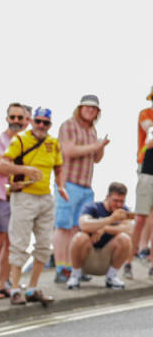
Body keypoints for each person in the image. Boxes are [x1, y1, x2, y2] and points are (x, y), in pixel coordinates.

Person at [0, 107, 68, 306]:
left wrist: (60, 185)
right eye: (38, 121)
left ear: (50, 125)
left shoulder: (53, 143)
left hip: (45, 197)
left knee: (44, 244)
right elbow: (2, 164)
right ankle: (15, 289)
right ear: (32, 122)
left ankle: (33, 288)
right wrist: (24, 169)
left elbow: (59, 167)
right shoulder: (19, 140)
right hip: (24, 196)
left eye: (45, 123)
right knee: (19, 243)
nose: (41, 126)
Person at [54, 95, 109, 283]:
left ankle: (74, 268)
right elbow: (68, 150)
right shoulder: (69, 125)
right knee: (63, 226)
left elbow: (96, 159)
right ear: (80, 108)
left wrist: (100, 147)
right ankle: (61, 267)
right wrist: (95, 145)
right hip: (68, 183)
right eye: (87, 107)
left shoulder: (92, 130)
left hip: (86, 186)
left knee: (79, 229)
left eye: (94, 108)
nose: (90, 111)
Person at [0, 103, 29, 299]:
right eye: (13, 117)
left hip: (20, 197)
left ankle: (2, 283)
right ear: (7, 118)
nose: (16, 121)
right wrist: (25, 172)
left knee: (12, 243)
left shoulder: (26, 141)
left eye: (20, 118)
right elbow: (0, 167)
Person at [67, 182, 133, 290]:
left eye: (122, 201)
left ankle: (112, 277)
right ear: (108, 197)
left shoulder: (123, 211)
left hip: (107, 258)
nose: (118, 205)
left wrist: (103, 228)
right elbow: (83, 224)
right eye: (116, 201)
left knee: (125, 239)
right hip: (87, 256)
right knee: (80, 237)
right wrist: (110, 220)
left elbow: (129, 229)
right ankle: (75, 275)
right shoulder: (93, 207)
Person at [133, 86, 153, 275]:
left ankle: (147, 251)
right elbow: (149, 130)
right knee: (141, 214)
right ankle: (137, 248)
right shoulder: (146, 114)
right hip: (146, 166)